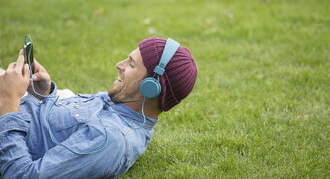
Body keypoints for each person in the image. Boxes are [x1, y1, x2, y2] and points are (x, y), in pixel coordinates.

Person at [0, 36, 198, 179]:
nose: (118, 65)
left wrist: (9, 103)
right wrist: (43, 93)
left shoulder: (110, 139)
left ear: (150, 87)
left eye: (131, 64)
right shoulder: (122, 103)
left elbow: (21, 174)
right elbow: (55, 129)